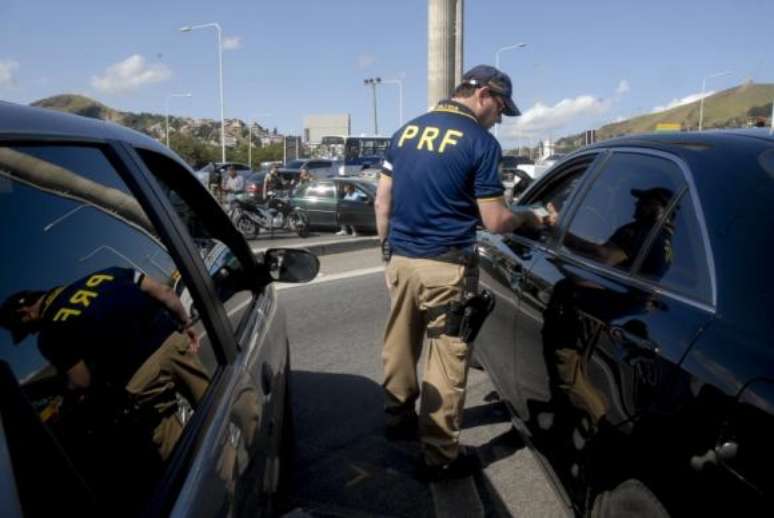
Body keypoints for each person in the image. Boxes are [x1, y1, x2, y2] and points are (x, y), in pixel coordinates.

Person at [374, 64, 555, 480]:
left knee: (399, 341)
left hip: (401, 259)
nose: (500, 120)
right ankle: (439, 456)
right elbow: (494, 221)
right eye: (501, 110)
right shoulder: (480, 142)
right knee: (447, 356)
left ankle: (397, 417)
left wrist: (388, 256)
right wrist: (529, 218)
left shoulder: (406, 132)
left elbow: (383, 201)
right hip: (447, 265)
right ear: (484, 95)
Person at [0, 266, 210, 462]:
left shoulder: (49, 334)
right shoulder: (108, 274)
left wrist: (67, 399)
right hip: (172, 344)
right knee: (217, 403)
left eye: (26, 330)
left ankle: (217, 491)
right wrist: (185, 322)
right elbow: (165, 292)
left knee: (182, 451)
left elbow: (82, 381)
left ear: (25, 314)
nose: (32, 333)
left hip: (140, 379)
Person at [563, 187, 674, 277]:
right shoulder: (666, 242)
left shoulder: (638, 232)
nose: (636, 204)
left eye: (644, 201)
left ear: (659, 208)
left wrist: (562, 236)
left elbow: (601, 257)